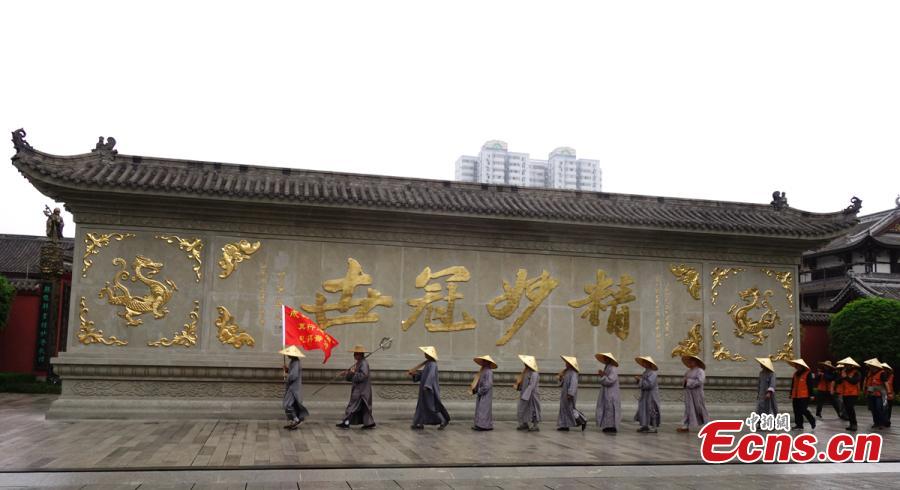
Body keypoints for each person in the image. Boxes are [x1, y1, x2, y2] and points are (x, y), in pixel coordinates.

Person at [409, 346, 451, 430]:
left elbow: (431, 376)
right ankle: (418, 422)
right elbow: (423, 375)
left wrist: (427, 386)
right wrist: (415, 375)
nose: (424, 354)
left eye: (426, 353)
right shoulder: (428, 363)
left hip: (429, 389)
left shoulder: (432, 364)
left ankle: (443, 420)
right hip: (424, 389)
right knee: (421, 406)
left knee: (431, 406)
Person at [336, 345, 375, 430]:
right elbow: (352, 376)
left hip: (361, 390)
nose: (354, 355)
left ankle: (346, 422)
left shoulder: (364, 363)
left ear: (360, 354)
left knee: (352, 405)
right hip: (360, 389)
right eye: (354, 353)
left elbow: (363, 376)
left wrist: (353, 373)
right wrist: (348, 373)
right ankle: (369, 423)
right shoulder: (359, 363)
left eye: (356, 353)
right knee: (364, 407)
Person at [677, 354, 710, 433]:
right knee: (688, 408)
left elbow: (700, 381)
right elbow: (684, 381)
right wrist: (685, 382)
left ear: (696, 362)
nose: (690, 362)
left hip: (697, 394)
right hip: (689, 394)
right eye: (689, 361)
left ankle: (707, 425)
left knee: (700, 408)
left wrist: (688, 382)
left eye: (692, 361)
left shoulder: (700, 371)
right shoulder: (688, 371)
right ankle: (685, 425)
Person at [279, 345, 309, 430]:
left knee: (287, 405)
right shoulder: (293, 362)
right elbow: (293, 372)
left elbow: (294, 375)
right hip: (291, 387)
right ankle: (293, 421)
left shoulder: (296, 362)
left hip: (293, 388)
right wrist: (287, 370)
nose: (287, 355)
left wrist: (287, 375)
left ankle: (296, 420)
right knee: (291, 405)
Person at [557, 355, 587, 431]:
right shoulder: (567, 372)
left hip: (569, 394)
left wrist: (570, 393)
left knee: (570, 409)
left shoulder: (573, 373)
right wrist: (561, 378)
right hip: (565, 393)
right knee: (564, 409)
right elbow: (563, 383)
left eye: (567, 362)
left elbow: (573, 384)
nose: (565, 364)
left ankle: (583, 420)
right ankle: (565, 425)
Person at [595, 352, 621, 433]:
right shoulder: (607, 367)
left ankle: (611, 426)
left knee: (611, 409)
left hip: (611, 393)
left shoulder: (612, 368)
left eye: (605, 358)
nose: (604, 359)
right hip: (607, 392)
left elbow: (611, 380)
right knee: (607, 408)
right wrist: (603, 375)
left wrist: (603, 376)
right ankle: (607, 425)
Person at [633, 355, 660, 433]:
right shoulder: (645, 372)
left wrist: (640, 380)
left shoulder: (653, 373)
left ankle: (653, 427)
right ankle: (645, 425)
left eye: (645, 363)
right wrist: (639, 381)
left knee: (651, 409)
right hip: (645, 394)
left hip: (651, 395)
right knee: (644, 409)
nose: (643, 364)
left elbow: (649, 384)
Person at [787, 358, 816, 430]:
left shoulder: (807, 373)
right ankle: (799, 425)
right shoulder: (795, 374)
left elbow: (810, 385)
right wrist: (791, 394)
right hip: (795, 395)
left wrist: (811, 395)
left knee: (803, 409)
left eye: (797, 365)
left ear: (802, 366)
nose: (796, 367)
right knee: (796, 410)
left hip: (804, 395)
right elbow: (793, 385)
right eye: (796, 365)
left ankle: (812, 420)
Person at [516, 354, 541, 432]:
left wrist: (525, 395)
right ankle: (525, 423)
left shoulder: (534, 373)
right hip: (525, 394)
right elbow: (524, 383)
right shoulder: (526, 372)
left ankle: (535, 425)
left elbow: (532, 385)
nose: (524, 364)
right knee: (523, 408)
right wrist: (519, 386)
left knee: (534, 409)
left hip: (532, 395)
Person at [472, 354, 497, 431]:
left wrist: (480, 390)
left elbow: (488, 384)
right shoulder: (483, 371)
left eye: (484, 361)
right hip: (482, 393)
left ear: (487, 362)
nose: (482, 362)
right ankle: (479, 424)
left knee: (484, 409)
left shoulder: (489, 372)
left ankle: (484, 425)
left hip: (486, 394)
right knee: (481, 409)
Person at [837, 357, 861, 431]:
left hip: (853, 394)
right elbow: (838, 381)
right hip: (845, 394)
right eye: (845, 365)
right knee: (847, 409)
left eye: (847, 365)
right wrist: (842, 377)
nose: (845, 366)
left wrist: (846, 377)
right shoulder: (844, 372)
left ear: (851, 365)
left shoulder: (856, 373)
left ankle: (854, 424)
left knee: (850, 408)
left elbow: (854, 381)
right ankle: (851, 424)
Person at [864, 358, 888, 430]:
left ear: (875, 366)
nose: (870, 367)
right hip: (871, 394)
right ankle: (876, 423)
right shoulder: (870, 373)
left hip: (879, 394)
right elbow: (869, 384)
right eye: (870, 366)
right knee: (873, 409)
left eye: (871, 366)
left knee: (879, 408)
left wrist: (888, 393)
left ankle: (881, 423)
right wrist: (866, 392)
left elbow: (886, 383)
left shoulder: (882, 373)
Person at [754, 357, 778, 426]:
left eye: (761, 364)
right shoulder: (761, 373)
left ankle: (772, 423)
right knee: (760, 409)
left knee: (769, 409)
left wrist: (769, 393)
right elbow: (759, 384)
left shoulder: (772, 373)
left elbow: (772, 384)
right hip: (761, 394)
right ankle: (761, 423)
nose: (760, 365)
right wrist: (758, 393)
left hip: (769, 395)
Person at [882, 363, 894, 427]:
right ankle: (883, 420)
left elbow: (895, 385)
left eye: (885, 369)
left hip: (890, 395)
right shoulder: (881, 376)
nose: (884, 370)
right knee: (882, 408)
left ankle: (887, 421)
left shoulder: (892, 376)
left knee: (888, 409)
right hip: (882, 394)